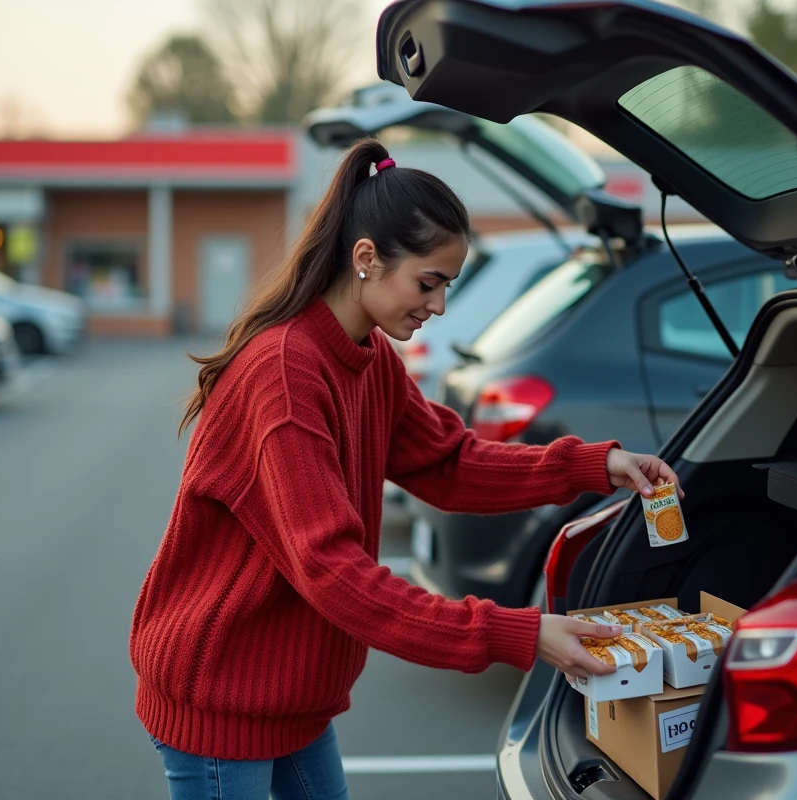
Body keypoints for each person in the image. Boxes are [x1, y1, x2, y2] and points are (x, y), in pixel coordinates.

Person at [130, 139, 682, 800]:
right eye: (430, 282)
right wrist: (518, 632)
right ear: (366, 258)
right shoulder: (284, 373)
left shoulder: (367, 358)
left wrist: (596, 465)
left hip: (294, 696)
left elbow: (450, 464)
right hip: (222, 699)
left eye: (447, 284)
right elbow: (334, 571)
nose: (441, 306)